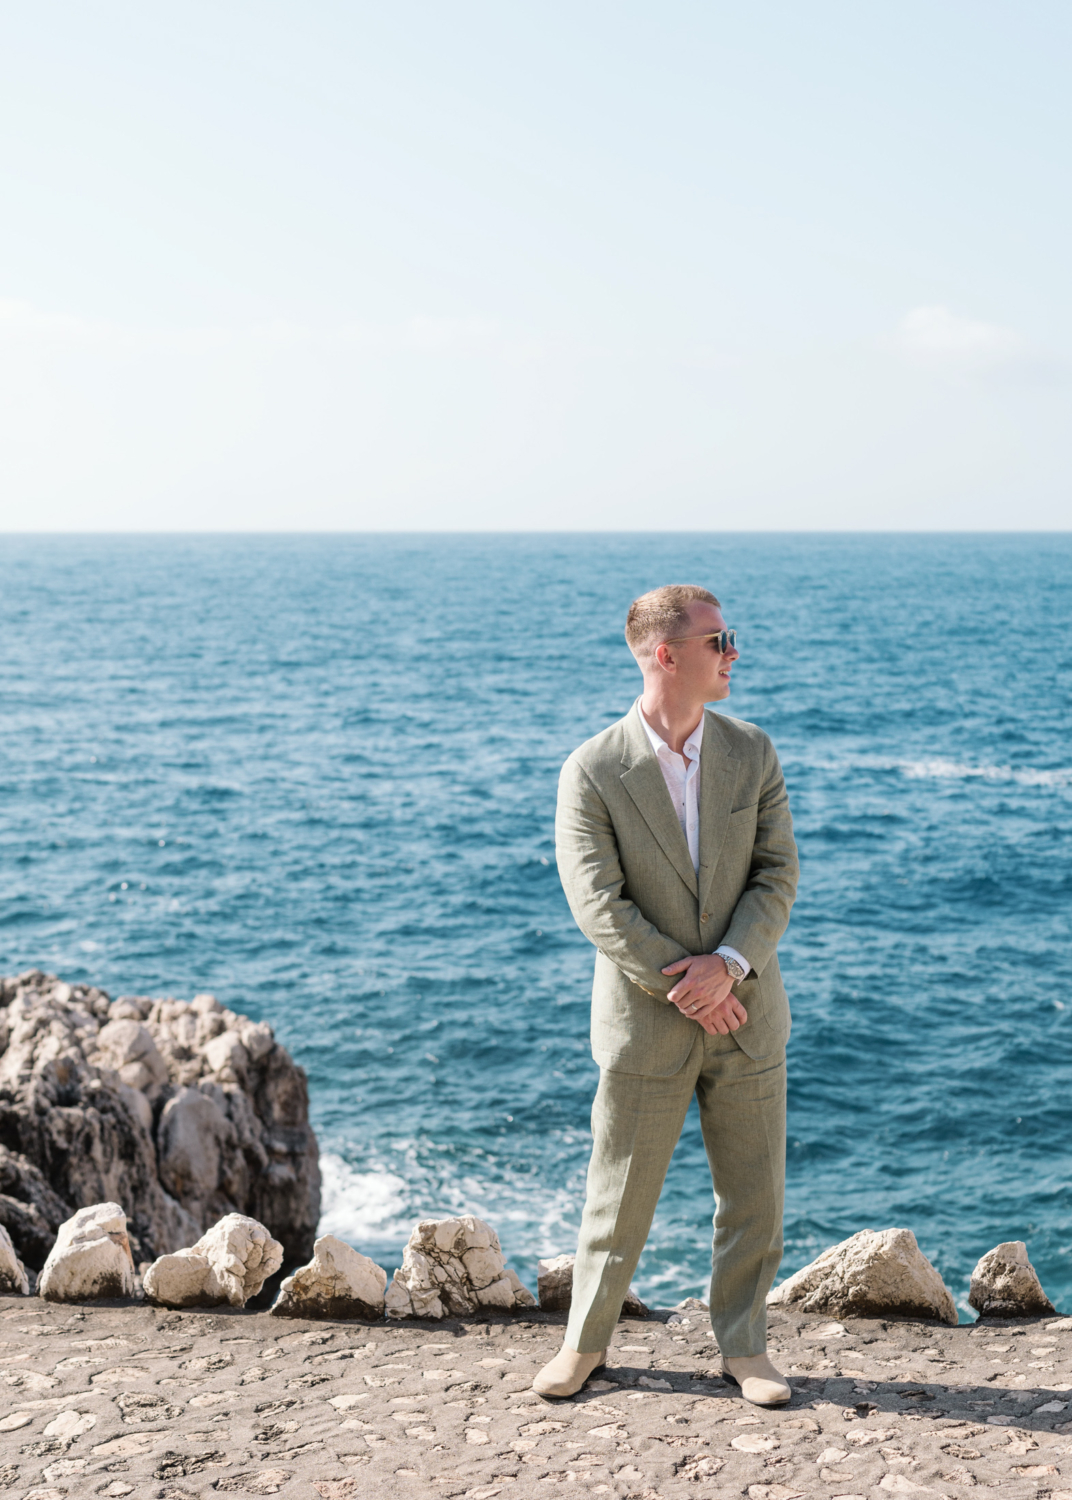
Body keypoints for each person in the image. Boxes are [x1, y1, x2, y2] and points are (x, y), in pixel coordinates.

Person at [533, 584, 799, 1407]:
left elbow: (776, 874)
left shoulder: (751, 751)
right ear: (666, 655)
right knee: (615, 1201)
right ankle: (583, 1347)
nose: (734, 654)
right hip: (649, 1022)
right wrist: (691, 987)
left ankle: (745, 1350)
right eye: (721, 641)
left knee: (753, 1197)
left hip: (747, 1013)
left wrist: (730, 965)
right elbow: (598, 904)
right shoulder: (593, 769)